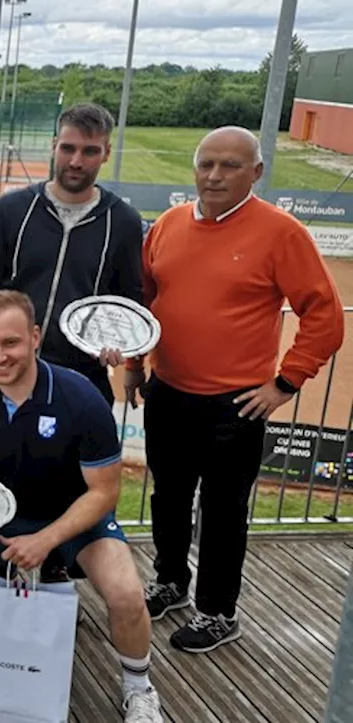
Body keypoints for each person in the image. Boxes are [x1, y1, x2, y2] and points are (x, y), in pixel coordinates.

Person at [124, 126, 344, 653]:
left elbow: (325, 315)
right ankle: (171, 581)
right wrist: (135, 365)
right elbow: (142, 302)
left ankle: (219, 612)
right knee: (170, 499)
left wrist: (285, 383)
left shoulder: (281, 232)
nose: (215, 175)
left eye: (230, 165)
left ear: (257, 173)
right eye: (207, 164)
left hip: (236, 406)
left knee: (223, 514)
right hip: (168, 393)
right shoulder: (168, 225)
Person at [0, 290, 161, 723]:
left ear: (34, 337)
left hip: (75, 515)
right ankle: (25, 634)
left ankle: (138, 687)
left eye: (9, 342)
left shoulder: (82, 398)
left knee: (126, 594)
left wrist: (45, 540)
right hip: (3, 515)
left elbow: (104, 494)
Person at [0, 102, 145, 404]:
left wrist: (117, 341)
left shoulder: (123, 221)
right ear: (54, 145)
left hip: (80, 379)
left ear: (106, 153)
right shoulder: (12, 209)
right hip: (5, 372)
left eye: (90, 151)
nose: (76, 161)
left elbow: (127, 300)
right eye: (68, 148)